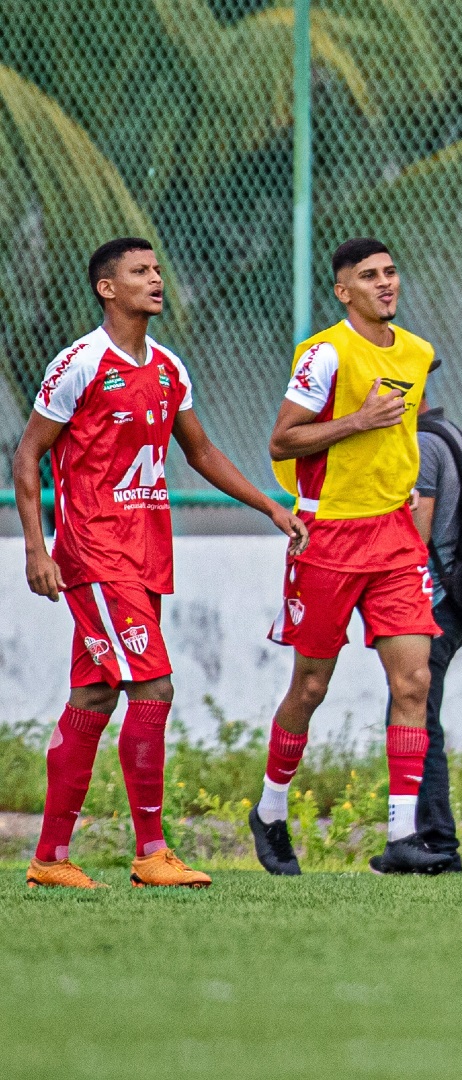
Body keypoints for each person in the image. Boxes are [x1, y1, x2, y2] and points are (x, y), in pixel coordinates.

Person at [14, 237, 307, 889]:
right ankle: (150, 852)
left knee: (92, 695)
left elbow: (200, 452)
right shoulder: (80, 364)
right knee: (154, 686)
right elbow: (28, 452)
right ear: (107, 288)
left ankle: (49, 859)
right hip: (94, 553)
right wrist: (38, 547)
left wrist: (269, 505)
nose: (156, 278)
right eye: (139, 271)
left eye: (156, 269)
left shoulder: (170, 368)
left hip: (146, 557)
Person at [252, 237, 449, 877]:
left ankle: (400, 838)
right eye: (369, 276)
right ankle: (271, 811)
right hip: (328, 536)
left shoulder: (418, 353)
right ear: (344, 291)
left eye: (391, 272)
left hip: (393, 538)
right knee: (311, 686)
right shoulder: (325, 353)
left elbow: (403, 444)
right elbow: (284, 437)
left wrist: (415, 511)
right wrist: (356, 421)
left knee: (414, 681)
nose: (386, 283)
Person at [404, 402, 462, 870]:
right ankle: (423, 838)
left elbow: (417, 531)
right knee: (414, 710)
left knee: (416, 715)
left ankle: (436, 843)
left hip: (436, 601)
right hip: (446, 600)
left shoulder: (425, 442)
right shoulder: (446, 431)